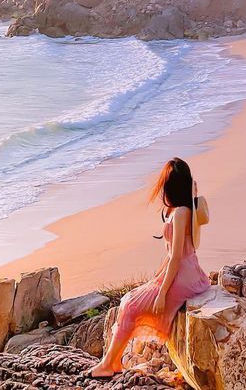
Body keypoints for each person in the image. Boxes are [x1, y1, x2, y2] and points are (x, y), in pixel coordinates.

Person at [91, 157, 210, 378]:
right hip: (182, 272)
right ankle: (113, 361)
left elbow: (175, 256)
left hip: (183, 275)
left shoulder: (182, 212)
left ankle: (108, 364)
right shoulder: (182, 208)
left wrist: (162, 293)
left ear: (171, 186)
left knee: (132, 305)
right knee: (129, 300)